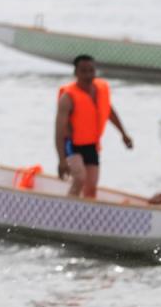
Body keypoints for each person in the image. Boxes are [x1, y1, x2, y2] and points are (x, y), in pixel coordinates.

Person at [54, 55, 132, 199]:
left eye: (91, 71)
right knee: (80, 178)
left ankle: (85, 211)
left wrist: (123, 134)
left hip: (91, 145)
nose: (88, 75)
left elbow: (109, 111)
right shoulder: (67, 98)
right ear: (76, 73)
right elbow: (59, 131)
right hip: (71, 145)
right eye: (83, 71)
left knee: (91, 187)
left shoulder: (100, 90)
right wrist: (61, 160)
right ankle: (67, 208)